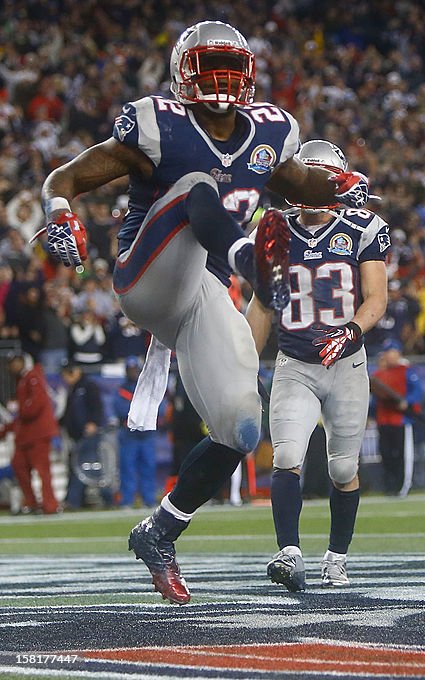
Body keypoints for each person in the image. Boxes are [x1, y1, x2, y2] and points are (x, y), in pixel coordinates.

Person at [39, 20, 372, 605]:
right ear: (182, 75)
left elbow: (297, 181)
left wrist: (338, 186)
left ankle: (161, 530)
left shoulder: (271, 131)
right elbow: (67, 176)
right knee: (198, 184)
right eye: (208, 66)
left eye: (229, 66)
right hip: (148, 276)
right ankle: (247, 256)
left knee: (242, 426)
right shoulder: (159, 124)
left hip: (204, 292)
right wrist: (58, 208)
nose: (220, 80)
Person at [246, 139, 390, 592]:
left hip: (345, 365)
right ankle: (289, 553)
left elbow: (377, 298)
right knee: (287, 456)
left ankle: (336, 557)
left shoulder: (364, 227)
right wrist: (245, 365)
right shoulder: (273, 229)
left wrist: (351, 330)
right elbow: (262, 305)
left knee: (343, 469)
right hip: (294, 362)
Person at [0, 352, 59, 514]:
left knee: (42, 471)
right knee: (19, 466)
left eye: (15, 362)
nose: (13, 366)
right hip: (26, 436)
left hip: (37, 434)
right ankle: (32, 503)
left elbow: (33, 407)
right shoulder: (23, 380)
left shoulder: (33, 377)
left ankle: (50, 505)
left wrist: (21, 410)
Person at [60, 360, 113, 509]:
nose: (64, 378)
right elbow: (69, 414)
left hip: (89, 435)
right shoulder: (74, 389)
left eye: (66, 374)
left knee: (86, 467)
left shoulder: (88, 386)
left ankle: (76, 500)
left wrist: (93, 423)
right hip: (78, 436)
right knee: (81, 467)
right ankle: (78, 499)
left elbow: (97, 406)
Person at [372, 339, 422, 497]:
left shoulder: (406, 371)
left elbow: (417, 392)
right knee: (386, 454)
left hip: (400, 420)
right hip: (383, 419)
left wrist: (407, 401)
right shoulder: (378, 374)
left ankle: (402, 486)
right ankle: (389, 486)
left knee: (401, 454)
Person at [114, 356, 158, 508]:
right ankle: (127, 500)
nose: (133, 372)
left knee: (149, 467)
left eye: (135, 369)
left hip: (147, 434)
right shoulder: (122, 390)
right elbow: (119, 409)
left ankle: (149, 499)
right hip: (129, 435)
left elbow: (159, 406)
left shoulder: (149, 387)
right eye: (130, 370)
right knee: (127, 468)